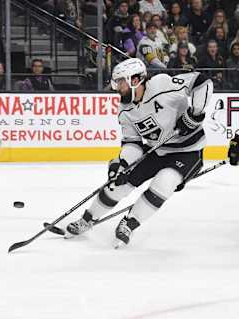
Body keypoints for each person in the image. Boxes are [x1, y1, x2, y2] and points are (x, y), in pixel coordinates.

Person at [65, 58, 213, 247]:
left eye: (120, 82)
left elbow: (202, 82)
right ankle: (87, 219)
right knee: (117, 184)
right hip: (157, 150)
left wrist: (195, 114)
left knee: (163, 183)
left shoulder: (161, 84)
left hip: (188, 151)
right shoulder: (124, 110)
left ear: (135, 80)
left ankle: (129, 223)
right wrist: (121, 164)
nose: (117, 87)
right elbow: (132, 143)